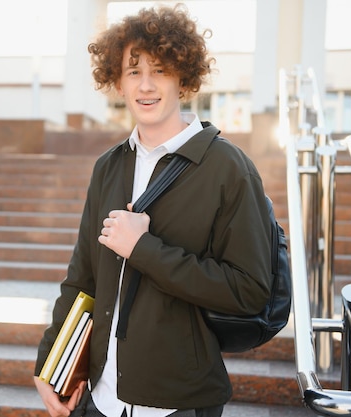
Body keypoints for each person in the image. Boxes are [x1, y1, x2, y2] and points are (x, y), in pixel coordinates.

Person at [34, 4, 272, 417]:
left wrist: (144, 248)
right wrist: (49, 364)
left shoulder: (227, 168)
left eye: (160, 70)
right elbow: (82, 278)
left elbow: (248, 291)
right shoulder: (109, 166)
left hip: (178, 404)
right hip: (100, 400)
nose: (146, 85)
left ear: (183, 76)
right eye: (133, 71)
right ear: (118, 81)